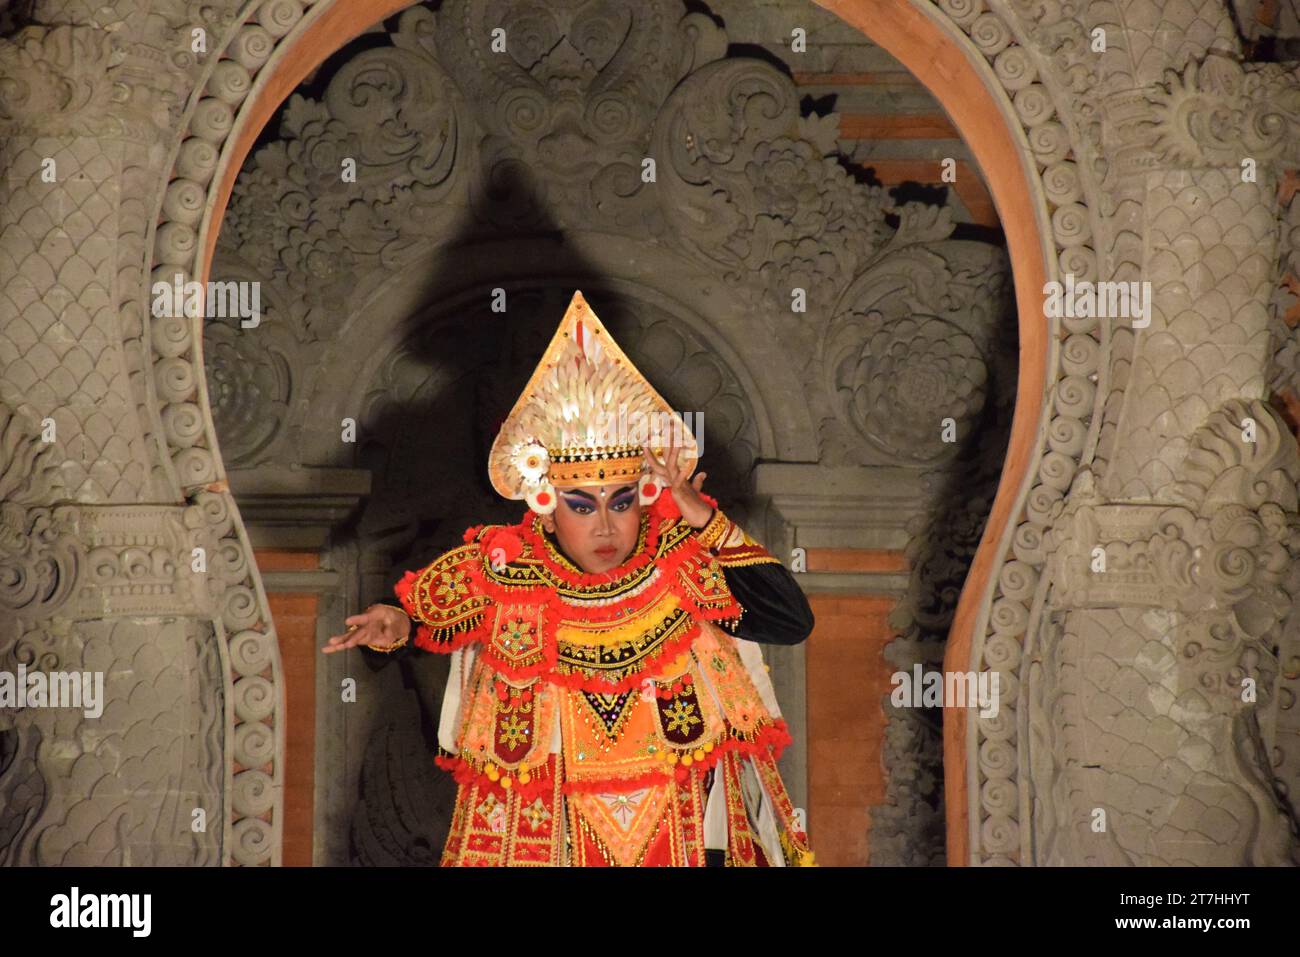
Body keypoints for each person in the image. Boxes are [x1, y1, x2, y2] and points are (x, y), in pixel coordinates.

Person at [322, 290, 816, 866]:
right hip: (552, 841)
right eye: (582, 506)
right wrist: (397, 623)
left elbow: (789, 620)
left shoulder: (685, 563)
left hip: (684, 839)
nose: (606, 525)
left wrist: (701, 514)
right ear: (547, 509)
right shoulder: (506, 571)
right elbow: (427, 616)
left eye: (622, 501)